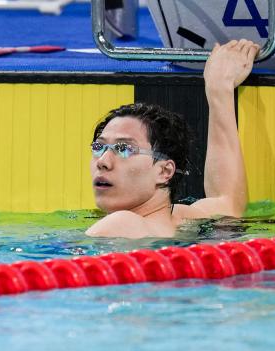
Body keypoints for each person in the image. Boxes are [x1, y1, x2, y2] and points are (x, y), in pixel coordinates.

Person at [85, 40, 260, 238]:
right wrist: (219, 89)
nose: (103, 162)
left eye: (124, 148)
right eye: (99, 147)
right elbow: (228, 202)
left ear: (164, 171)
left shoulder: (120, 224)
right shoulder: (185, 220)